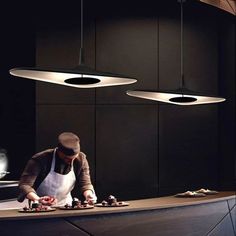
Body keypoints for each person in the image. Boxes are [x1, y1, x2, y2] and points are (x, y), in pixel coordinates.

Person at [17, 132, 97, 206]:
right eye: (67, 158)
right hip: (40, 207)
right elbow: (25, 185)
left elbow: (85, 184)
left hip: (66, 206)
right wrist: (38, 199)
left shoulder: (81, 159)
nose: (70, 162)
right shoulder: (40, 159)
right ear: (59, 151)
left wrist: (89, 195)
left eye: (74, 158)